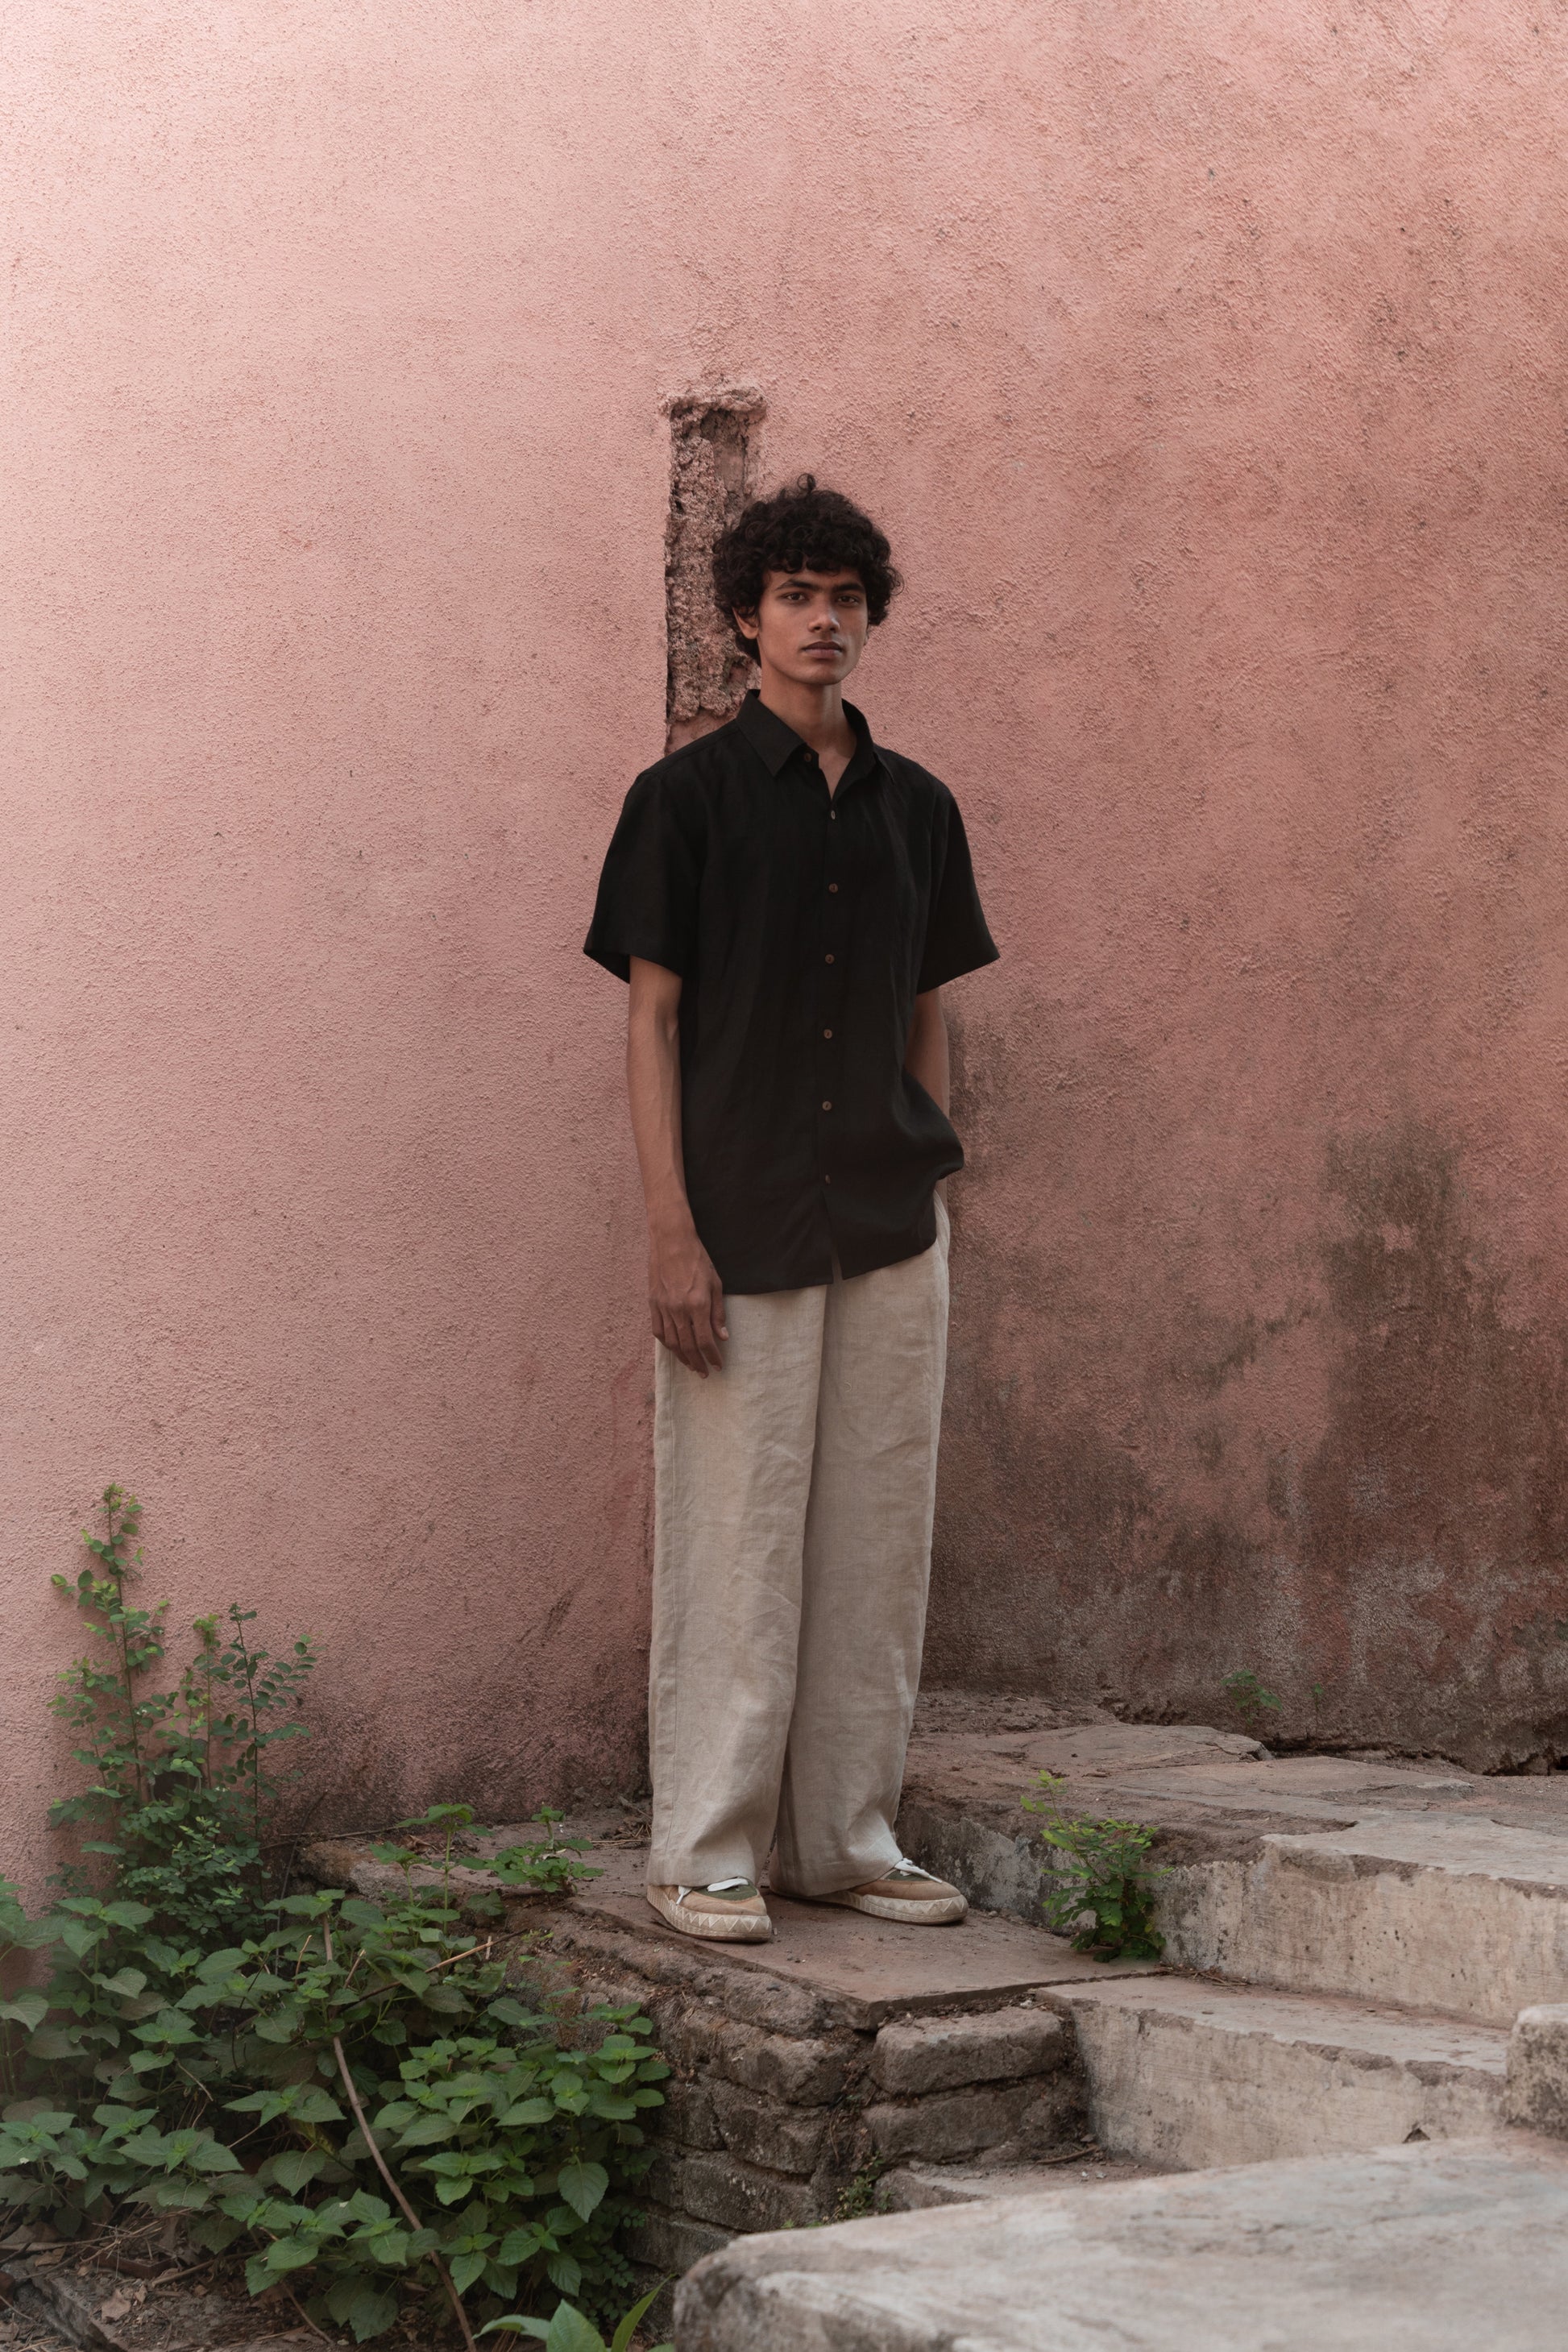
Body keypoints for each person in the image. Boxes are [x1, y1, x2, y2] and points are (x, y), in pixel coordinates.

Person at [584, 475, 998, 1941]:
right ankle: (707, 1844)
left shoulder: (919, 810)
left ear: (867, 617)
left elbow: (925, 1004)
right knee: (738, 1533)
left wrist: (924, 1148)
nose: (824, 621)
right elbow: (650, 1024)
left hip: (888, 1217)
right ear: (745, 620)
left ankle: (845, 1836)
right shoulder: (681, 802)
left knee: (874, 1534)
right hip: (739, 1218)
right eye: (797, 597)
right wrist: (667, 1230)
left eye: (846, 598)